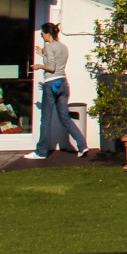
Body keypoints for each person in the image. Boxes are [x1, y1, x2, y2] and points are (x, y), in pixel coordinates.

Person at [26, 22, 87, 159]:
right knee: (65, 117)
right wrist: (43, 54)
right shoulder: (63, 47)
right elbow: (56, 61)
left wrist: (39, 66)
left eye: (42, 34)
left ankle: (41, 152)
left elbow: (52, 68)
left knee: (46, 119)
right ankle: (82, 145)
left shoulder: (49, 47)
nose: (42, 36)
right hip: (63, 83)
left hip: (51, 83)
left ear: (48, 34)